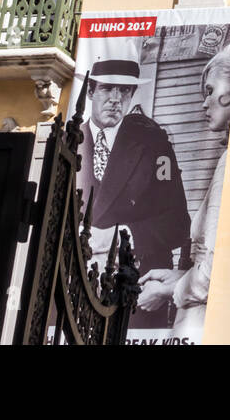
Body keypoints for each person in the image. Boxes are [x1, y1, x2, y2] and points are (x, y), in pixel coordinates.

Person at [77, 42, 190, 330]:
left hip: (135, 288)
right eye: (107, 88)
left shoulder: (153, 144)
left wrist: (122, 234)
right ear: (91, 91)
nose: (116, 99)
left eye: (124, 91)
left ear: (132, 95)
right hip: (75, 284)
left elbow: (178, 222)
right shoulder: (68, 142)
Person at [136, 43, 230, 341]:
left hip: (200, 322)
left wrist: (167, 289)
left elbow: (215, 271)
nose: (204, 103)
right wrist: (178, 277)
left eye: (210, 91)